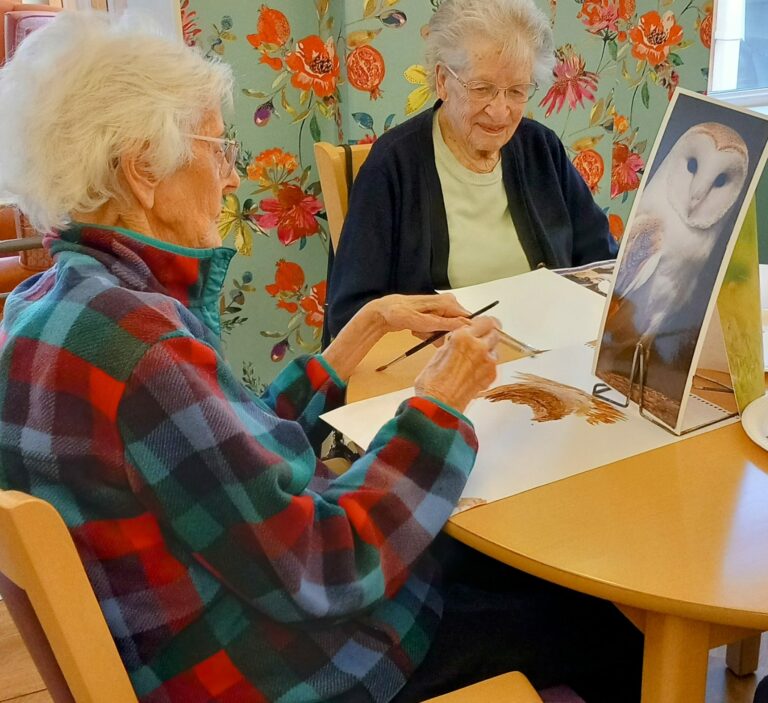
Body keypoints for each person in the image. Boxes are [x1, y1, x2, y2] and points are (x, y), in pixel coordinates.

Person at [0, 11, 642, 703]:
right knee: (599, 624)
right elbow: (324, 564)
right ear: (142, 171)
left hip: (203, 627)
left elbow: (232, 457)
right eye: (217, 148)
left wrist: (349, 342)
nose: (231, 173)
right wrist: (437, 408)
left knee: (481, 560)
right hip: (278, 667)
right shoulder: (146, 350)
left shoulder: (51, 304)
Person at [327, 0, 618, 336]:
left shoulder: (542, 149)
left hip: (546, 356)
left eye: (517, 91)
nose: (500, 110)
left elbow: (603, 264)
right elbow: (350, 315)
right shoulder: (391, 167)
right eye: (482, 89)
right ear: (441, 81)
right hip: (441, 367)